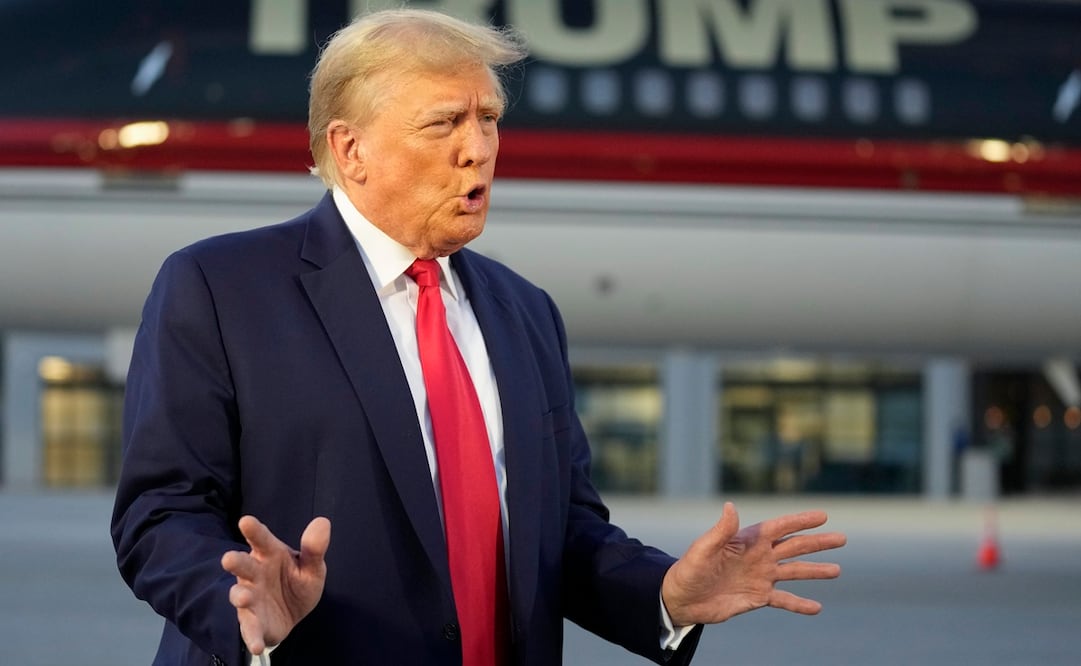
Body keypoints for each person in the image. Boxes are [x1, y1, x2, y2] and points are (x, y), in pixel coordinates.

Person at [111, 8, 846, 666]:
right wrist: (238, 604)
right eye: (443, 123)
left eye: (488, 119)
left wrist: (664, 594)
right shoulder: (220, 287)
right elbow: (160, 513)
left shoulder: (524, 312)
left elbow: (563, 533)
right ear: (351, 147)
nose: (478, 149)